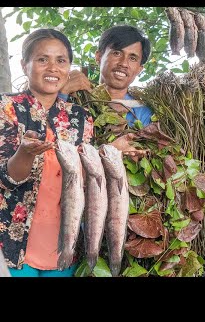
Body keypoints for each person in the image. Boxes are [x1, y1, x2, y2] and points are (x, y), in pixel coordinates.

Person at [0, 28, 94, 277]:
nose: (53, 68)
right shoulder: (7, 108)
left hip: (63, 242)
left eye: (61, 60)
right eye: (43, 59)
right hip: (12, 242)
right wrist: (24, 152)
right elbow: (8, 178)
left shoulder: (81, 117)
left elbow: (84, 177)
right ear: (24, 65)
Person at [59, 25, 153, 128]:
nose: (123, 63)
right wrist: (62, 94)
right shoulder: (73, 93)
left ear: (139, 69)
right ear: (98, 56)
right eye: (117, 53)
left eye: (133, 58)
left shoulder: (145, 113)